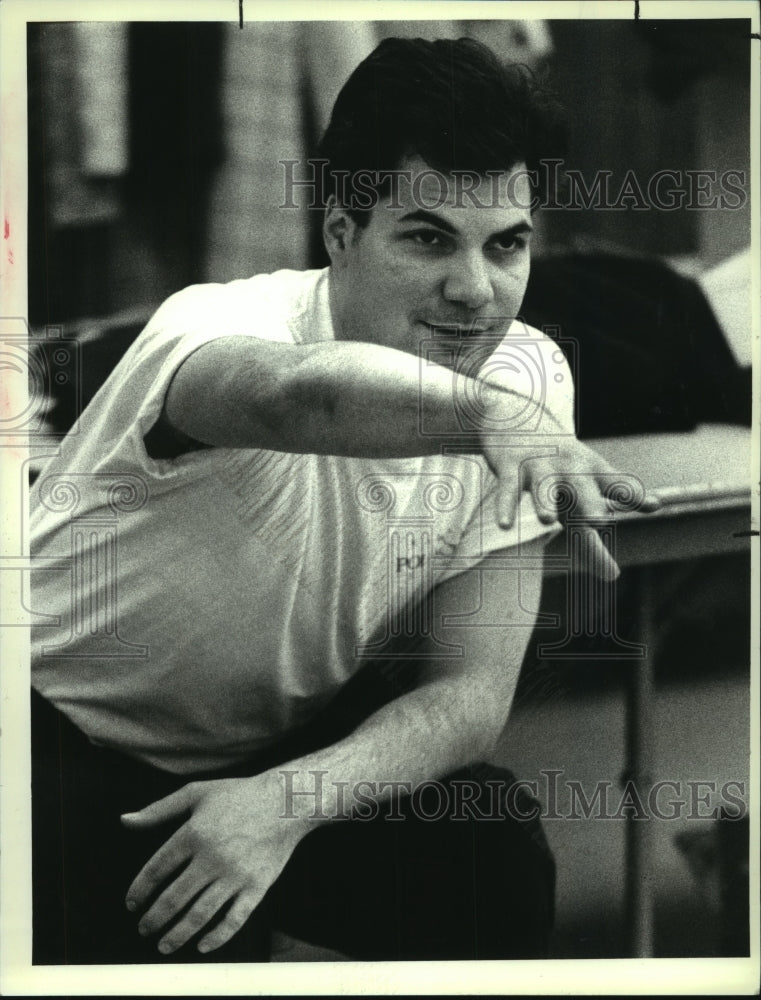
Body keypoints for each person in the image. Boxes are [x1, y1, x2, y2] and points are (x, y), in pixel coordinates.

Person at [29, 36, 654, 964]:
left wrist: (283, 803)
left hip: (260, 751)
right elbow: (301, 397)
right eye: (426, 238)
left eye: (506, 244)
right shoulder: (216, 324)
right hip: (46, 733)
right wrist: (491, 416)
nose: (474, 290)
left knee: (487, 853)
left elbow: (469, 694)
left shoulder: (526, 377)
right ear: (338, 234)